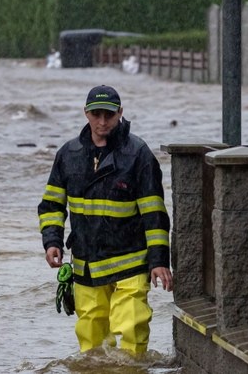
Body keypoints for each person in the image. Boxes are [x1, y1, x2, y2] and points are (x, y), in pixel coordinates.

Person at [39, 84, 174, 356]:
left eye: (109, 115)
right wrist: (52, 241)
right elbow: (52, 204)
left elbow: (154, 213)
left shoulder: (138, 154)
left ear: (120, 113)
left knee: (132, 326)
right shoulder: (68, 154)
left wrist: (159, 261)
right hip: (87, 264)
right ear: (86, 113)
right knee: (91, 339)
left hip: (131, 262)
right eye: (96, 114)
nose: (102, 121)